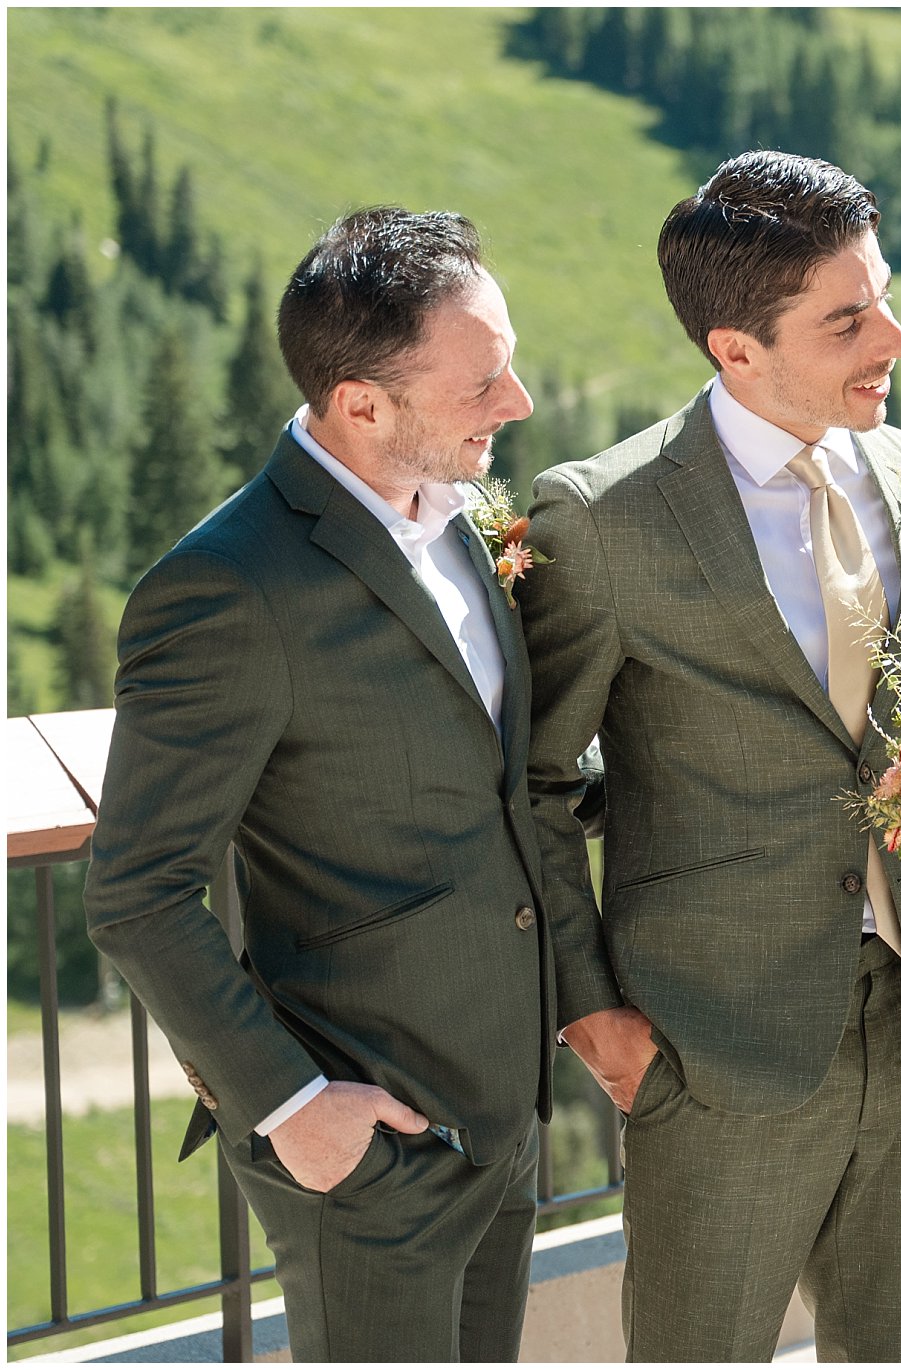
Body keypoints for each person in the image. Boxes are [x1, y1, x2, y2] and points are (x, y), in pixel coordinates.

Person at [519, 151, 901, 1362]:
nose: (892, 338)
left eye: (882, 297)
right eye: (846, 320)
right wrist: (590, 1012)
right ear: (735, 348)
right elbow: (533, 780)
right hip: (710, 1043)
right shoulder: (603, 518)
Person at [84, 207, 551, 1361]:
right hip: (368, 1157)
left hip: (502, 1127)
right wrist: (296, 1110)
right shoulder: (225, 587)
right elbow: (136, 892)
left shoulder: (460, 519)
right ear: (361, 405)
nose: (519, 401)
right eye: (481, 382)